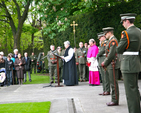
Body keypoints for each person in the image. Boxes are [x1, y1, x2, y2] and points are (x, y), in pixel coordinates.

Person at [117, 13, 141, 113]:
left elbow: (119, 49)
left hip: (128, 64)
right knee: (135, 89)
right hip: (136, 62)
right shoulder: (139, 31)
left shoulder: (126, 33)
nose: (123, 24)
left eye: (123, 22)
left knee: (130, 91)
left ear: (127, 21)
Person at [101, 27, 119, 106]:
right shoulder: (110, 41)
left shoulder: (113, 41)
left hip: (112, 63)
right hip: (110, 64)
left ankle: (115, 100)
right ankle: (114, 99)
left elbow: (111, 54)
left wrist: (105, 62)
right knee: (112, 82)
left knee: (113, 83)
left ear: (109, 33)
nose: (105, 36)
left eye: (105, 34)